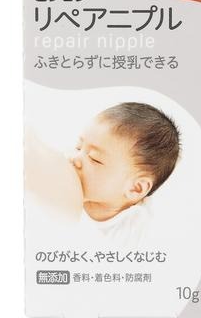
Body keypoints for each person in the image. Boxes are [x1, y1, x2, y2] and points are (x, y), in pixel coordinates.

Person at [71, 102, 181, 247]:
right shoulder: (66, 180)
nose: (75, 159)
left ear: (135, 188)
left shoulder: (134, 233)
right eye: (78, 147)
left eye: (94, 159)